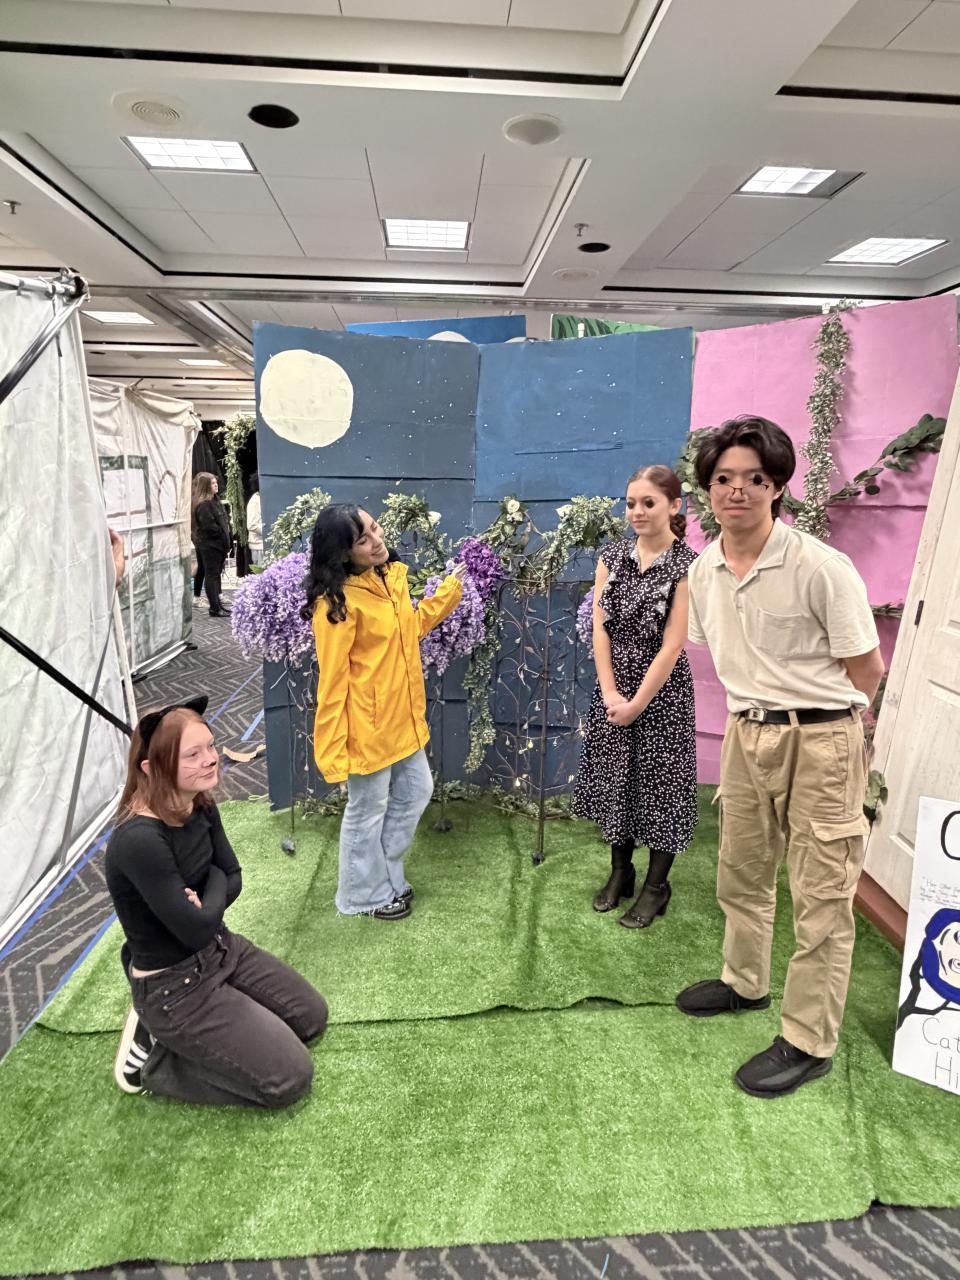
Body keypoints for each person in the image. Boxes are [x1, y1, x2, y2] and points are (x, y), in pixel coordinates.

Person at [676, 415, 885, 1098]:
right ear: (707, 489)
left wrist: (834, 734)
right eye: (723, 479)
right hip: (747, 734)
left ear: (777, 487)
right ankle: (745, 982)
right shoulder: (703, 570)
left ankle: (809, 1040)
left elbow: (867, 670)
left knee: (821, 894)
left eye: (754, 479)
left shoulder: (820, 567)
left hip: (821, 739)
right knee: (741, 870)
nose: (736, 491)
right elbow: (715, 648)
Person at [105, 696, 328, 1107]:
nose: (211, 759)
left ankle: (213, 1027)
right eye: (193, 754)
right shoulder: (139, 840)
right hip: (174, 986)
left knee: (311, 1019)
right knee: (290, 1078)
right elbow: (195, 928)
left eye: (209, 746)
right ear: (152, 769)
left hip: (221, 949)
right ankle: (154, 1062)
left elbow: (233, 877)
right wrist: (213, 888)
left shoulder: (200, 804)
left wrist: (209, 890)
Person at [304, 504, 465, 920]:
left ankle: (386, 872)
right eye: (363, 540)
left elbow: (407, 629)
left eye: (375, 528)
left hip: (402, 718)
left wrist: (447, 595)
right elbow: (332, 682)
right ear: (343, 553)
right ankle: (361, 895)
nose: (377, 541)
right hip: (367, 728)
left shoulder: (388, 577)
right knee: (366, 811)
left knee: (417, 790)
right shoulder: (335, 604)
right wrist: (332, 751)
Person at [573, 466, 698, 927]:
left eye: (648, 502)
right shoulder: (611, 557)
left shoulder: (687, 564)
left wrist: (637, 704)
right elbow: (600, 628)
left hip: (662, 693)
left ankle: (655, 887)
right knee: (617, 779)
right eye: (630, 503)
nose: (637, 512)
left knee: (662, 786)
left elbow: (673, 644)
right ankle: (620, 872)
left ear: (674, 505)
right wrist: (610, 692)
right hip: (615, 687)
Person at [191, 472, 232, 617]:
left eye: (216, 482)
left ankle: (218, 605)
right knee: (211, 575)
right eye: (213, 483)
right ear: (206, 487)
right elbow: (209, 527)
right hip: (211, 546)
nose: (216, 485)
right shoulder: (204, 505)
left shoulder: (215, 500)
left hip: (218, 546)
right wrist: (221, 535)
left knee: (215, 575)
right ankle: (214, 608)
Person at [246, 473, 263, 567]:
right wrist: (267, 532)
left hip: (262, 544)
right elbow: (252, 525)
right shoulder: (255, 501)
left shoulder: (261, 498)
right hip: (258, 545)